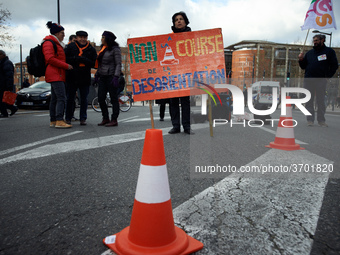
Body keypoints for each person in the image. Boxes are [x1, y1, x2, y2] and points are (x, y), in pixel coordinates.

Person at [298, 34, 338, 127]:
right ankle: (310, 119)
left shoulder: (329, 52)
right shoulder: (309, 53)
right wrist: (300, 59)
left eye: (317, 40)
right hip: (308, 80)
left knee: (320, 100)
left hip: (321, 80)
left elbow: (334, 65)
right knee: (309, 100)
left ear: (323, 40)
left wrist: (327, 76)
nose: (315, 42)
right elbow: (303, 66)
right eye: (314, 40)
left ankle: (321, 120)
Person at [43, 21, 73, 128]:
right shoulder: (49, 43)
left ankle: (53, 120)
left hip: (57, 73)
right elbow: (50, 58)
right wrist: (66, 66)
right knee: (61, 97)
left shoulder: (55, 43)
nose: (64, 35)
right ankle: (59, 120)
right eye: (62, 33)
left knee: (55, 98)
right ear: (56, 33)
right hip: (55, 74)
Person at [168, 11, 193, 134]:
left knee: (185, 101)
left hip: (186, 73)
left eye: (181, 19)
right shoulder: (168, 38)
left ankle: (187, 126)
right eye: (176, 19)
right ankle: (176, 126)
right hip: (172, 73)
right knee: (173, 100)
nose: (178, 21)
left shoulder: (192, 36)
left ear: (185, 21)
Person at [65, 30, 97, 125]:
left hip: (84, 76)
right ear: (77, 38)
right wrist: (76, 59)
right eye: (80, 37)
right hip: (72, 76)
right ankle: (68, 117)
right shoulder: (70, 47)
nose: (82, 39)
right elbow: (65, 59)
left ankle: (83, 118)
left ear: (87, 38)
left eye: (84, 37)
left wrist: (84, 60)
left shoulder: (91, 49)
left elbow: (93, 63)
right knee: (70, 98)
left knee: (84, 99)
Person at [96, 31, 121, 127]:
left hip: (111, 76)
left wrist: (116, 77)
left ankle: (114, 119)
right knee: (101, 98)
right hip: (102, 76)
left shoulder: (115, 49)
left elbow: (118, 64)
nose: (101, 39)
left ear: (108, 39)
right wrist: (97, 75)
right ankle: (105, 118)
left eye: (103, 37)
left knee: (114, 99)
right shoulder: (103, 49)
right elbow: (100, 64)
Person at [0, 50, 18, 117]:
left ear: (3, 55)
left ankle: (5, 113)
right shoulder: (3, 63)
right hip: (2, 83)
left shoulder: (7, 63)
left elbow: (9, 75)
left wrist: (9, 85)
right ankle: (12, 108)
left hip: (4, 84)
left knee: (2, 99)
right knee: (3, 99)